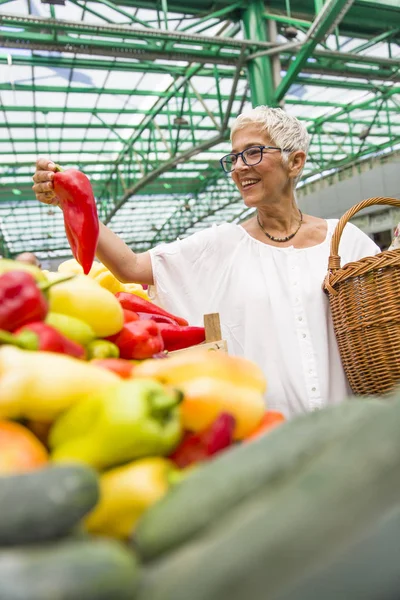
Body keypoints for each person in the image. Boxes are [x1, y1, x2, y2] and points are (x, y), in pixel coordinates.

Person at [32, 106, 380, 418]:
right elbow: (131, 267)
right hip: (266, 439)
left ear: (296, 161)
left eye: (253, 153)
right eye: (234, 157)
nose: (239, 167)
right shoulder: (220, 245)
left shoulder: (346, 239)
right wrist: (72, 199)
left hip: (352, 431)